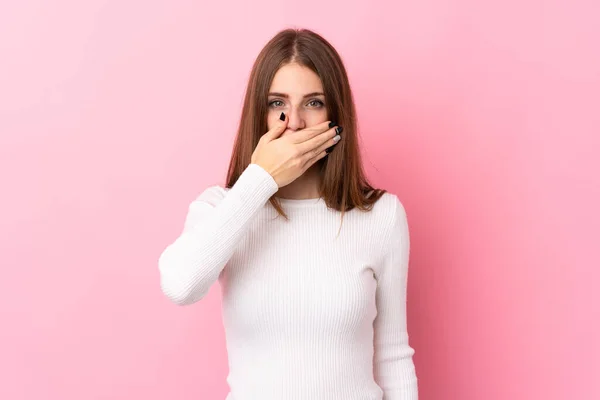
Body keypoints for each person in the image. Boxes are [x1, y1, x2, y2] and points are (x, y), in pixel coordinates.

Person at [158, 28, 418, 400]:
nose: (293, 122)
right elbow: (180, 286)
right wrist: (260, 178)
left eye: (313, 103)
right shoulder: (221, 208)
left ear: (335, 115)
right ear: (259, 114)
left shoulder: (380, 215)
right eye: (277, 103)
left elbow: (393, 356)